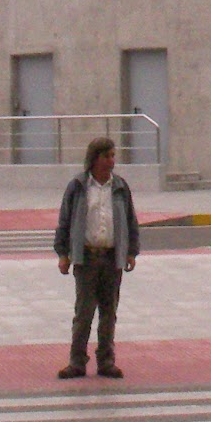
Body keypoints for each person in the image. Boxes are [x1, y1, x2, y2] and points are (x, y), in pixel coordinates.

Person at [54, 136, 140, 379]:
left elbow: (130, 220)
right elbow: (65, 220)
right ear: (94, 158)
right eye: (107, 156)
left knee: (108, 312)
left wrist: (131, 251)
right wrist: (63, 254)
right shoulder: (78, 186)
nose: (112, 161)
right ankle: (77, 361)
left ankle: (106, 361)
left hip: (112, 258)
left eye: (113, 156)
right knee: (84, 312)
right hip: (87, 258)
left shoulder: (120, 187)